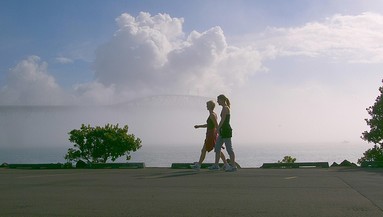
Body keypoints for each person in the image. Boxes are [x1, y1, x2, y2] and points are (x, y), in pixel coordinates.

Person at [191, 100, 229, 170]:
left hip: (211, 135)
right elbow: (209, 125)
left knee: (204, 150)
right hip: (211, 134)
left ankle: (198, 165)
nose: (206, 106)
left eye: (207, 105)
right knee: (217, 150)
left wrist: (219, 134)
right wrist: (199, 126)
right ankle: (226, 164)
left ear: (210, 106)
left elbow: (216, 125)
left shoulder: (212, 115)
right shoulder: (213, 114)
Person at [209, 94, 237, 172]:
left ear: (221, 100)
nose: (217, 101)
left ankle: (233, 166)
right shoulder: (224, 108)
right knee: (217, 148)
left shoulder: (225, 108)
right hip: (222, 130)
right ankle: (216, 165)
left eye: (218, 100)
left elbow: (223, 120)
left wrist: (218, 128)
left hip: (226, 131)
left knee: (229, 149)